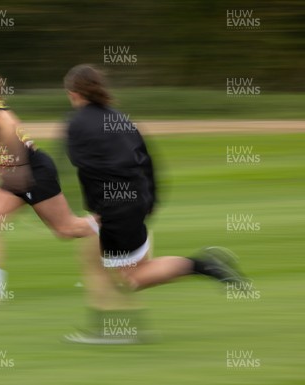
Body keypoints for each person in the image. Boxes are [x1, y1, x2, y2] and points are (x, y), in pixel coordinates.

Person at [61, 64, 249, 344]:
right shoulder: (121, 118)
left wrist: (95, 213)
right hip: (137, 199)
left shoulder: (76, 124)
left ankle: (116, 329)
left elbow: (87, 168)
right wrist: (150, 201)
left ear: (73, 93)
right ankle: (201, 265)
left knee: (125, 277)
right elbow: (148, 160)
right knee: (111, 266)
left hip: (114, 207)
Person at [0, 69, 99, 306]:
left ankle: (120, 224)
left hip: (33, 170)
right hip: (13, 175)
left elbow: (10, 123)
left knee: (67, 229)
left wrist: (19, 164)